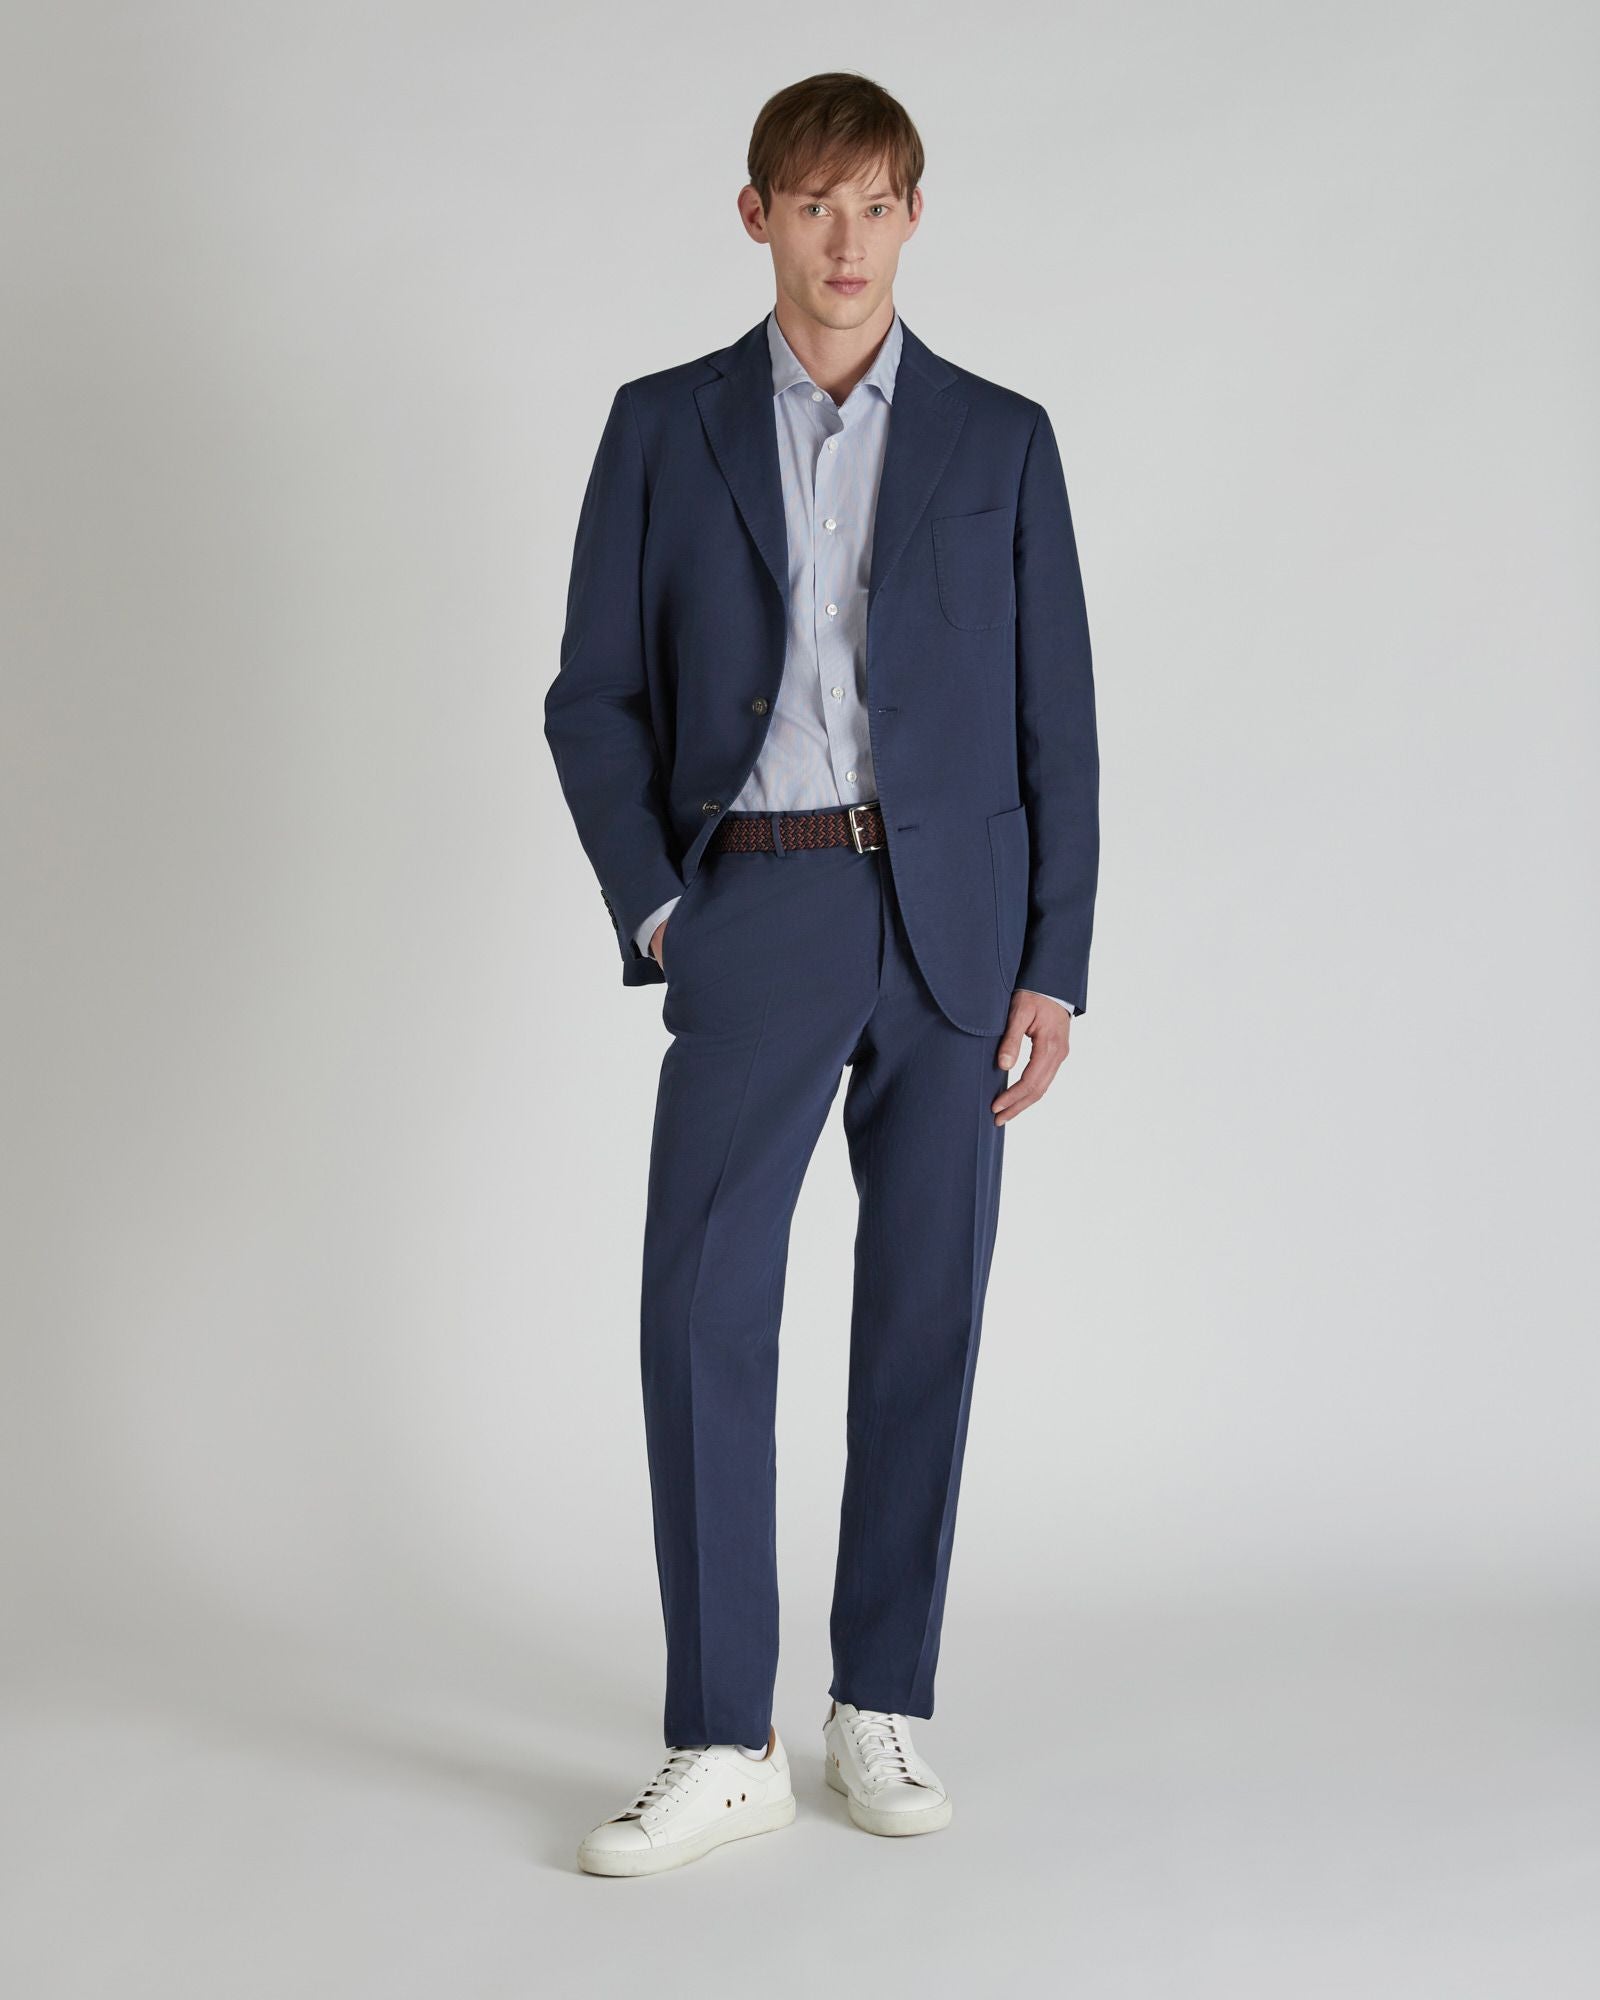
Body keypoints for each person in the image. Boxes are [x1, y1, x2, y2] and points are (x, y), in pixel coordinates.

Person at [544, 70, 1099, 1877]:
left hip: (955, 931)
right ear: (757, 216)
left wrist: (1055, 963)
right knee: (702, 1307)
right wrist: (661, 910)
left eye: (875, 205)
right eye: (811, 204)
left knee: (925, 1309)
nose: (845, 240)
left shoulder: (1002, 439)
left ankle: (883, 1700)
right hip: (758, 905)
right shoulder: (663, 425)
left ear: (914, 217)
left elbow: (1059, 723)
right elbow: (592, 698)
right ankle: (726, 1736)